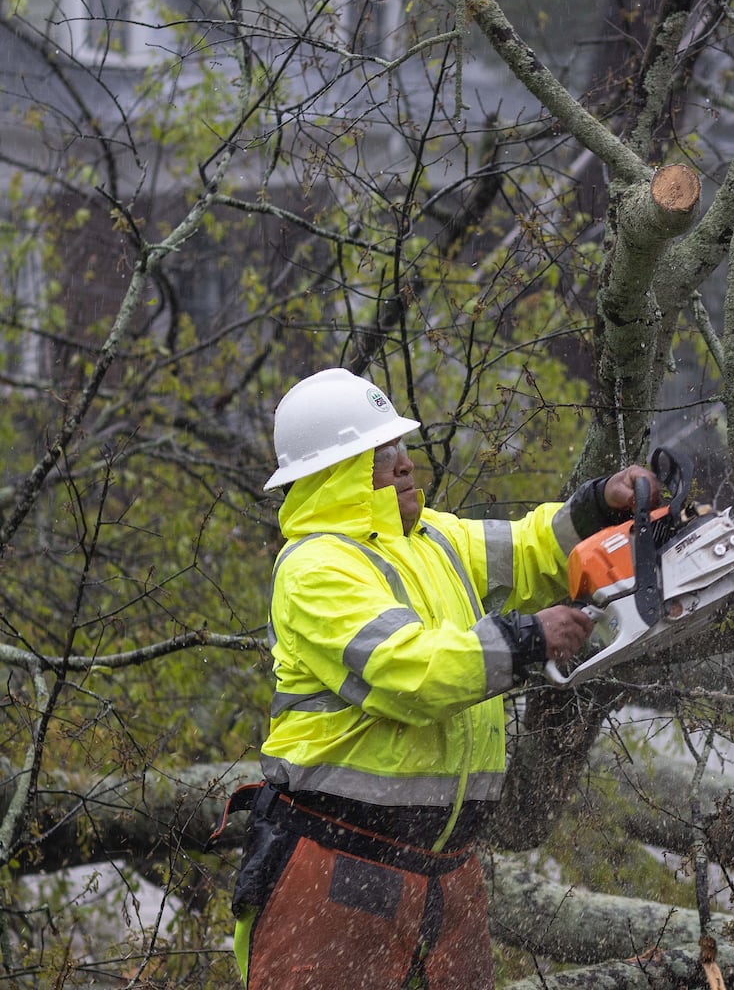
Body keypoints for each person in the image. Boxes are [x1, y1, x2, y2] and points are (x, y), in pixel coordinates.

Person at [225, 367, 657, 989]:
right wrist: (527, 638)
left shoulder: (434, 537)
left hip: (445, 868)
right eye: (382, 453)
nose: (404, 464)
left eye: (402, 448)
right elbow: (410, 672)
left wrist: (597, 505)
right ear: (334, 473)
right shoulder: (316, 566)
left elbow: (536, 551)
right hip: (341, 861)